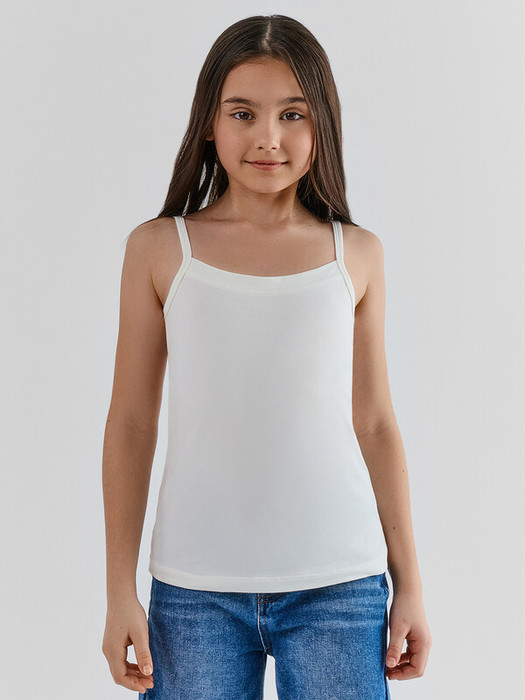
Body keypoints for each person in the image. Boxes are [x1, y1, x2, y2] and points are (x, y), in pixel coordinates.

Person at [101, 14, 432, 699]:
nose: (267, 138)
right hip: (193, 592)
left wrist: (410, 586)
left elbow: (375, 422)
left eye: (292, 114)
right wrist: (118, 592)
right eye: (243, 113)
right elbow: (131, 423)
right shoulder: (160, 249)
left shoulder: (355, 254)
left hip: (340, 587)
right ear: (209, 123)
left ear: (321, 125)